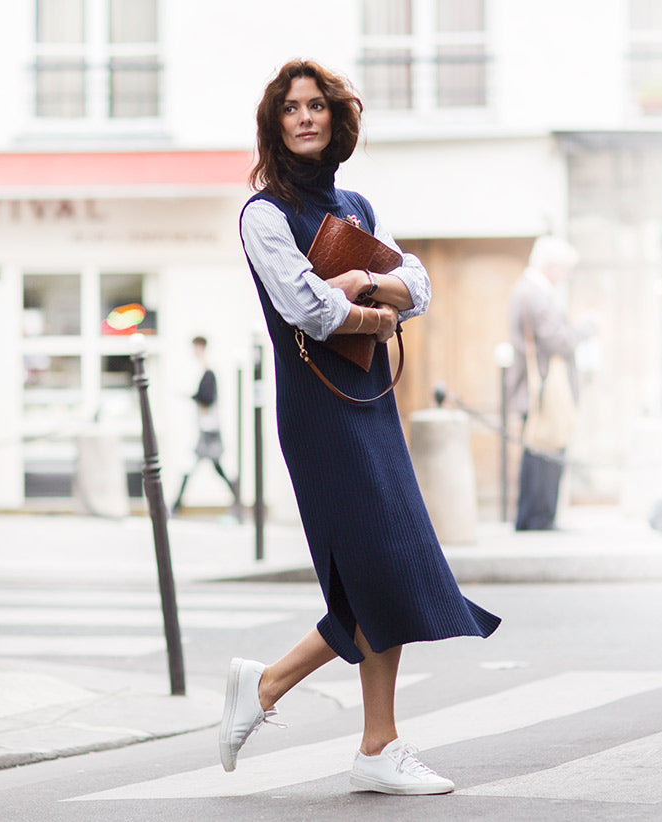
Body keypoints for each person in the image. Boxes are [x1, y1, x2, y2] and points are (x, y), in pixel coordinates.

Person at [223, 59, 501, 796]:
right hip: (318, 412)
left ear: (336, 119)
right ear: (274, 125)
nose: (306, 117)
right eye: (291, 109)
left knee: (389, 566)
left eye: (317, 105)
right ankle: (276, 691)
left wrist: (367, 287)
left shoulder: (357, 206)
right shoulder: (264, 214)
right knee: (382, 568)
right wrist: (375, 309)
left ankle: (369, 740)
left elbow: (420, 282)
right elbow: (306, 309)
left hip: (370, 399)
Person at [505, 236, 597, 531]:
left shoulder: (529, 291)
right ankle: (538, 519)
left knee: (539, 452)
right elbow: (557, 340)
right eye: (565, 269)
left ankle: (534, 518)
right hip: (543, 388)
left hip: (539, 387)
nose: (566, 276)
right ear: (551, 266)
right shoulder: (536, 293)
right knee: (545, 452)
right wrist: (586, 328)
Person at [172, 336, 241, 515]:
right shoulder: (206, 372)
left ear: (201, 347)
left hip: (209, 430)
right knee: (211, 466)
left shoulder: (209, 374)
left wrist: (190, 395)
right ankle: (237, 499)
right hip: (207, 429)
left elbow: (206, 397)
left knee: (193, 465)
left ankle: (175, 505)